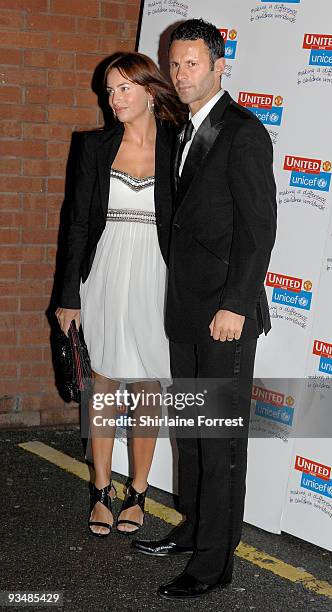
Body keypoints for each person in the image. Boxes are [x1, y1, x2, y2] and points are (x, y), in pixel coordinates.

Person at [132, 19, 277, 600]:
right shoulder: (178, 128)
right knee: (192, 432)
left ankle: (215, 561)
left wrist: (236, 304)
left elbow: (258, 230)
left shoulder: (242, 132)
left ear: (220, 66)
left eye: (193, 63)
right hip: (185, 308)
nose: (181, 74)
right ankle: (193, 528)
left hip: (225, 315)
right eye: (175, 63)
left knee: (218, 440)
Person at [55, 52, 185, 538]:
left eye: (125, 88)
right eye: (110, 91)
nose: (115, 99)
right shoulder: (94, 147)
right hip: (106, 271)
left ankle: (139, 491)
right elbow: (78, 225)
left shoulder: (178, 146)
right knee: (106, 380)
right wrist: (70, 295)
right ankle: (101, 490)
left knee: (149, 382)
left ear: (151, 91)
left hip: (157, 272)